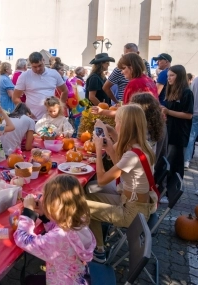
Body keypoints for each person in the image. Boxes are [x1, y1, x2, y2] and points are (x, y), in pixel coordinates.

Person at [85, 105, 156, 263]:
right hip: (134, 203)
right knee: (87, 190)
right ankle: (98, 242)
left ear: (125, 126)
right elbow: (120, 164)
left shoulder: (132, 155)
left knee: (79, 205)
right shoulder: (143, 145)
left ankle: (99, 252)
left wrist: (98, 150)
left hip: (131, 212)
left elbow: (103, 179)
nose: (115, 125)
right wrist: (110, 134)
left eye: (117, 122)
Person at [14, 175, 95, 284]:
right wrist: (45, 216)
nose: (40, 198)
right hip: (78, 279)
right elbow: (59, 231)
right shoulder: (79, 219)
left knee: (28, 281)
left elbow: (22, 239)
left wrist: (28, 213)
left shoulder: (59, 237)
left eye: (44, 196)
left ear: (53, 206)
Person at [161, 65, 193, 183]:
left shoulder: (186, 92)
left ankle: (171, 191)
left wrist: (168, 111)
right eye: (168, 75)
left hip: (179, 133)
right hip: (169, 130)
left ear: (179, 77)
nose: (169, 78)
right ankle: (165, 189)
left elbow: (188, 115)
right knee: (167, 161)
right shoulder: (170, 90)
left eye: (172, 75)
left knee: (175, 162)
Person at [12, 52, 68, 120]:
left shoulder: (54, 73)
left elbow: (65, 90)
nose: (38, 69)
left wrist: (60, 107)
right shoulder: (24, 76)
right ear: (30, 65)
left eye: (40, 65)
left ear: (43, 61)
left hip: (51, 118)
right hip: (32, 119)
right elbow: (15, 97)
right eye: (34, 67)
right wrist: (25, 111)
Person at [185, 76, 198, 169]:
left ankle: (186, 161)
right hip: (194, 113)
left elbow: (191, 94)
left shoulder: (195, 80)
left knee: (191, 137)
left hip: (194, 112)